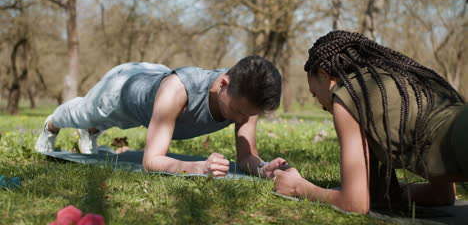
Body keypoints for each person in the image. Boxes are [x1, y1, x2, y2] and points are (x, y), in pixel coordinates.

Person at [273, 30, 467, 213]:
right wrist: (393, 194)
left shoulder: (347, 94)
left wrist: (298, 187)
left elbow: (355, 203)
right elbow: (442, 195)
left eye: (314, 93)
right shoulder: (408, 84)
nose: (321, 106)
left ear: (324, 74)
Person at [35, 56, 287, 178]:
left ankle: (90, 133)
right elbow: (151, 161)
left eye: (250, 115)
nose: (242, 119)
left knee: (105, 124)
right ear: (224, 82)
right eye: (240, 112)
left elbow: (246, 158)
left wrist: (262, 168)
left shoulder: (246, 98)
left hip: (153, 80)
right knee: (84, 114)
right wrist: (197, 167)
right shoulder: (178, 91)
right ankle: (51, 125)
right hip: (120, 90)